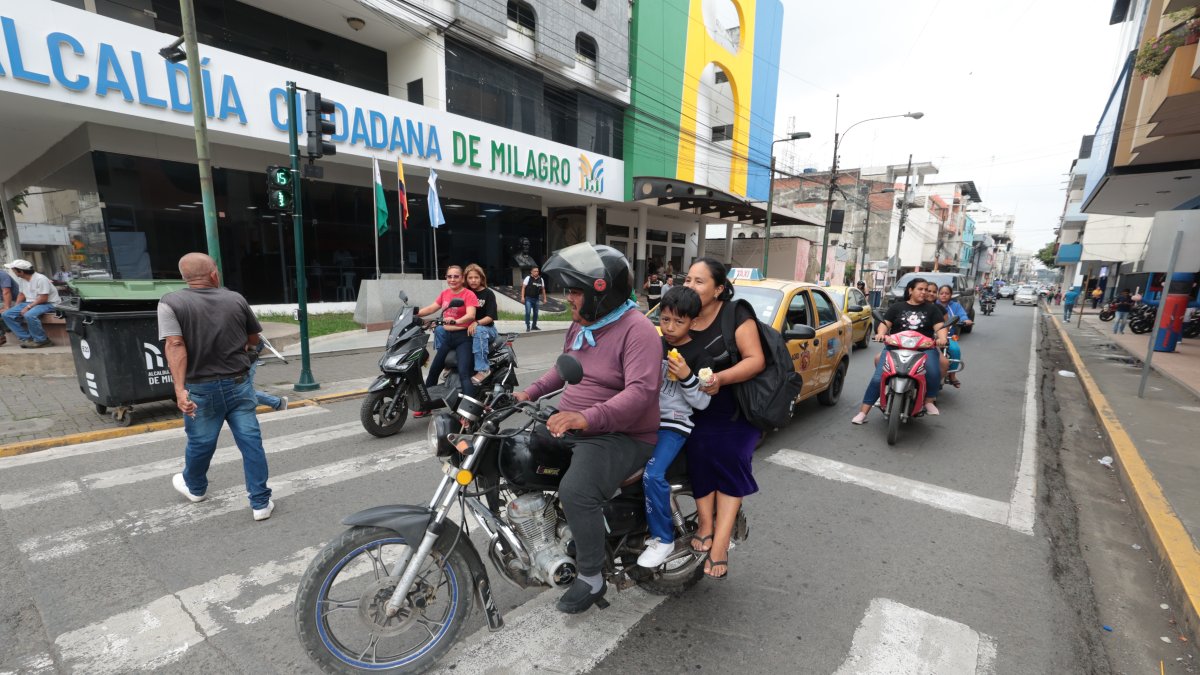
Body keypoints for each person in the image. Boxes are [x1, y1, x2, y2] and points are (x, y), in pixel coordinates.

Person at [515, 243, 660, 613]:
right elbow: (562, 367)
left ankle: (592, 576)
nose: (569, 299)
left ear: (603, 291)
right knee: (519, 456)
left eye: (576, 292)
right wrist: (526, 393)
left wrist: (586, 417)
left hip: (620, 434)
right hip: (578, 427)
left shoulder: (637, 329)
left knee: (576, 490)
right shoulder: (585, 324)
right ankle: (558, 532)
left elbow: (641, 394)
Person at [158, 253, 274, 521]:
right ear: (213, 275)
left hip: (201, 389)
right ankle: (260, 504)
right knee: (251, 442)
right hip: (239, 384)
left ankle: (196, 488)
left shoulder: (170, 303)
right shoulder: (235, 299)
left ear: (185, 277)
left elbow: (175, 344)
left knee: (201, 442)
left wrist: (178, 389)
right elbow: (254, 338)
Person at [682, 257, 767, 580]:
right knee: (697, 453)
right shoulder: (681, 315)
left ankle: (719, 545)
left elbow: (755, 360)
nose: (690, 285)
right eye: (688, 279)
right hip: (694, 408)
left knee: (730, 458)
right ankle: (705, 524)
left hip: (736, 408)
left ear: (719, 289)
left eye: (699, 281)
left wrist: (720, 379)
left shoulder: (735, 313)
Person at [637, 286, 713, 569]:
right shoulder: (654, 344)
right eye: (664, 319)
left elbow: (702, 403)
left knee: (652, 474)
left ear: (693, 322)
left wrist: (687, 377)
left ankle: (663, 537)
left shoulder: (701, 355)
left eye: (678, 322)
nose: (669, 327)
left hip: (674, 426)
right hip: (643, 421)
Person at [851, 276, 946, 425]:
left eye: (926, 290)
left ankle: (928, 400)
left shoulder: (932, 309)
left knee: (933, 371)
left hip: (924, 349)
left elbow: (940, 328)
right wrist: (881, 334)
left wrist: (941, 338)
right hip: (895, 347)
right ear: (910, 290)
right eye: (920, 289)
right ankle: (863, 413)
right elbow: (884, 324)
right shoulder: (897, 307)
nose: (924, 292)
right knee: (878, 378)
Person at [414, 265, 477, 417]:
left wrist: (455, 321)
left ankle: (469, 410)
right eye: (449, 276)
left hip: (463, 338)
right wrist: (413, 313)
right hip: (448, 339)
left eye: (456, 276)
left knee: (463, 373)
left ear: (462, 278)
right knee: (434, 370)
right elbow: (431, 308)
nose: (452, 279)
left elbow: (470, 315)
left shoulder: (468, 294)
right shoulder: (445, 294)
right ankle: (426, 406)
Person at [2, 260, 61, 348]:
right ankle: (27, 339)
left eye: (14, 270)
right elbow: (21, 294)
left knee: (29, 315)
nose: (13, 272)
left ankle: (42, 340)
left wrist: (28, 307)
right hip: (30, 302)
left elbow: (43, 298)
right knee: (7, 314)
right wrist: (17, 307)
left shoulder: (41, 279)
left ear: (21, 271)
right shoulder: (21, 279)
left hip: (48, 303)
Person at [464, 264, 499, 384]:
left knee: (478, 331)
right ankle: (448, 365)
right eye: (470, 278)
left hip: (487, 329)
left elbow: (491, 317)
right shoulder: (465, 293)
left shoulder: (488, 293)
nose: (473, 280)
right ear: (466, 279)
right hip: (468, 328)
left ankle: (483, 369)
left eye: (476, 277)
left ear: (481, 278)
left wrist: (477, 323)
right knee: (442, 330)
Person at [936, 284, 970, 388]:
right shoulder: (933, 305)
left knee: (955, 350)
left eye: (947, 293)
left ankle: (952, 375)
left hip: (948, 336)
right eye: (941, 293)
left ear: (951, 295)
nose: (944, 295)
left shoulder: (955, 305)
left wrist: (966, 320)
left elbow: (962, 315)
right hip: (931, 336)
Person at [248, 335, 288, 411]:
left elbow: (255, 336)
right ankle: (278, 403)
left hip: (244, 359)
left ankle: (277, 403)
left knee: (243, 391)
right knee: (240, 391)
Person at [520, 266, 546, 331]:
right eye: (535, 271)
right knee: (528, 312)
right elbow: (523, 287)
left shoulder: (541, 279)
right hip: (528, 298)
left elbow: (543, 289)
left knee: (536, 313)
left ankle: (534, 326)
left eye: (537, 271)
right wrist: (522, 297)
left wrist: (544, 298)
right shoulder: (528, 278)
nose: (536, 272)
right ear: (531, 272)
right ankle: (528, 326)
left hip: (536, 299)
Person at [0, 266, 17, 347]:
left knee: (2, 310)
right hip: (3, 301)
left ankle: (1, 336)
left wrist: (7, 307)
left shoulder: (2, 274)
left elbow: (6, 292)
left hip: (15, 301)